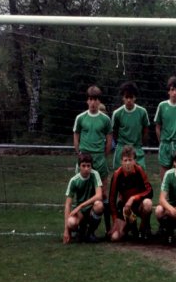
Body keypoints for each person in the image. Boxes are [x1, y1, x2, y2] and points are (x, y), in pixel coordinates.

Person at [73, 85, 113, 233]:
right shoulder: (80, 118)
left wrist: (103, 155)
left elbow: (109, 139)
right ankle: (80, 226)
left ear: (99, 101)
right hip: (84, 158)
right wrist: (79, 153)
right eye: (90, 99)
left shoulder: (105, 119)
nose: (93, 102)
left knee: (103, 194)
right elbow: (76, 136)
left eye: (96, 99)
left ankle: (108, 228)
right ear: (87, 101)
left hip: (99, 159)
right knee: (81, 192)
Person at [107, 145, 154, 242]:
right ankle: (132, 227)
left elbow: (150, 191)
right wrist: (115, 220)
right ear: (121, 161)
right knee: (115, 237)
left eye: (130, 160)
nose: (128, 163)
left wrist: (133, 198)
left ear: (134, 161)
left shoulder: (139, 170)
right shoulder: (117, 175)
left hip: (139, 206)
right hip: (126, 209)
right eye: (125, 160)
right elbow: (112, 199)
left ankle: (143, 229)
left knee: (148, 203)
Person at [63, 152, 104, 244]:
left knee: (99, 205)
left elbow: (99, 195)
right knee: (71, 222)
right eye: (83, 166)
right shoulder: (74, 181)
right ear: (79, 166)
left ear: (91, 166)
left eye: (88, 166)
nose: (86, 168)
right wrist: (66, 230)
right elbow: (68, 205)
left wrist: (80, 206)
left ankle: (90, 233)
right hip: (80, 213)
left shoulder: (95, 174)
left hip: (90, 208)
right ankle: (80, 231)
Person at [111, 81, 150, 170]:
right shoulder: (117, 113)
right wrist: (120, 145)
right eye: (126, 97)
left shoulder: (142, 112)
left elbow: (145, 130)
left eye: (131, 97)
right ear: (123, 98)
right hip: (122, 148)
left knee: (140, 174)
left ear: (135, 97)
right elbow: (114, 131)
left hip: (136, 148)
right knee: (120, 175)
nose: (129, 100)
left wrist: (140, 144)